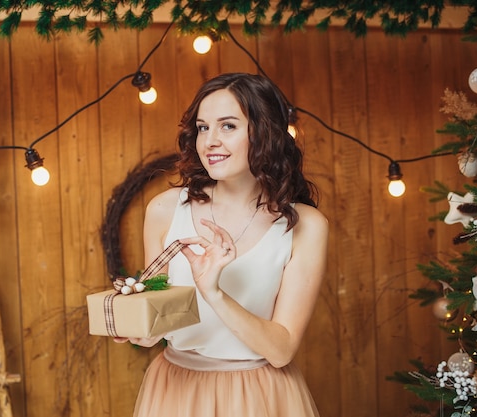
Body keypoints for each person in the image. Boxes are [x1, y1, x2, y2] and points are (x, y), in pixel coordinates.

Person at [115, 72, 328, 417]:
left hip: (260, 397)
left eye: (228, 126)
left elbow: (281, 349)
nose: (210, 141)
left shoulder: (306, 226)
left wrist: (214, 292)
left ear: (265, 133)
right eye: (202, 128)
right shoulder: (165, 210)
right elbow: (160, 322)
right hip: (176, 395)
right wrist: (139, 328)